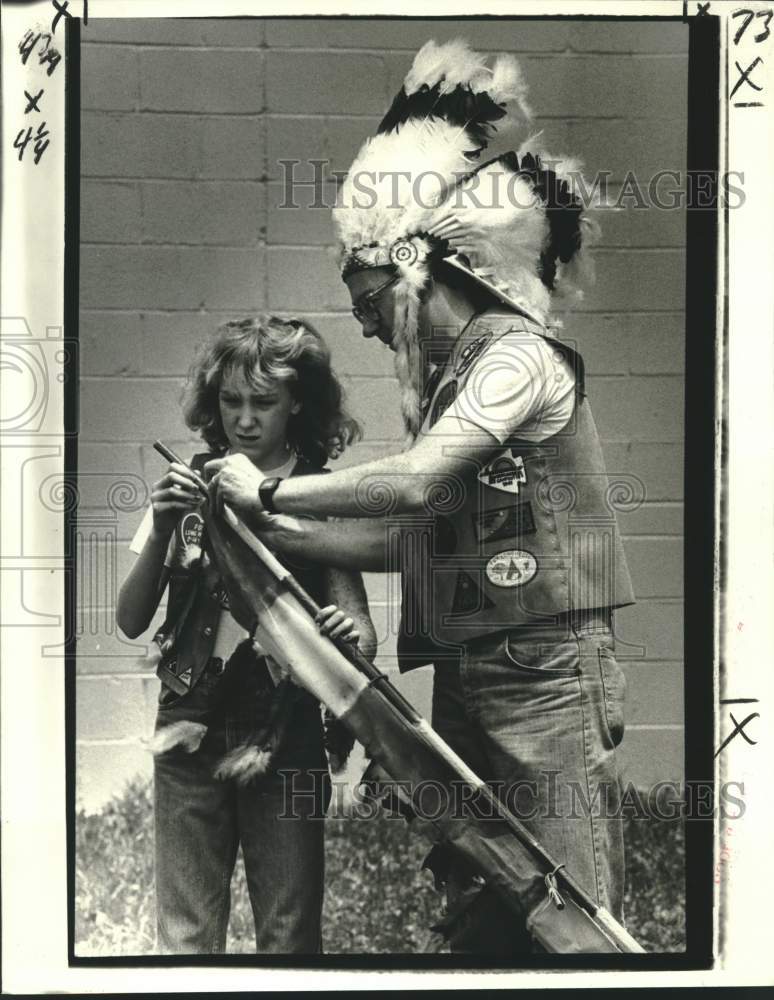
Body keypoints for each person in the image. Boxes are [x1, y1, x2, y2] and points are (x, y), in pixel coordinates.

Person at [203, 40, 636, 955]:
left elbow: (413, 481)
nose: (362, 320)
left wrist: (275, 485)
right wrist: (271, 525)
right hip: (475, 670)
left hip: (549, 672)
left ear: (414, 271)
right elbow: (412, 539)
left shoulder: (515, 355)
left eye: (365, 296)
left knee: (574, 915)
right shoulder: (449, 383)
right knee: (485, 901)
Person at [116, 315, 376, 955]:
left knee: (289, 931)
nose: (245, 418)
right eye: (231, 401)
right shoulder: (190, 482)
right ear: (213, 402)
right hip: (188, 723)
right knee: (185, 930)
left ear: (299, 404)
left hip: (285, 731)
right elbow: (130, 619)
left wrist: (346, 633)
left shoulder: (316, 492)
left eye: (264, 402)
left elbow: (362, 636)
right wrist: (160, 521)